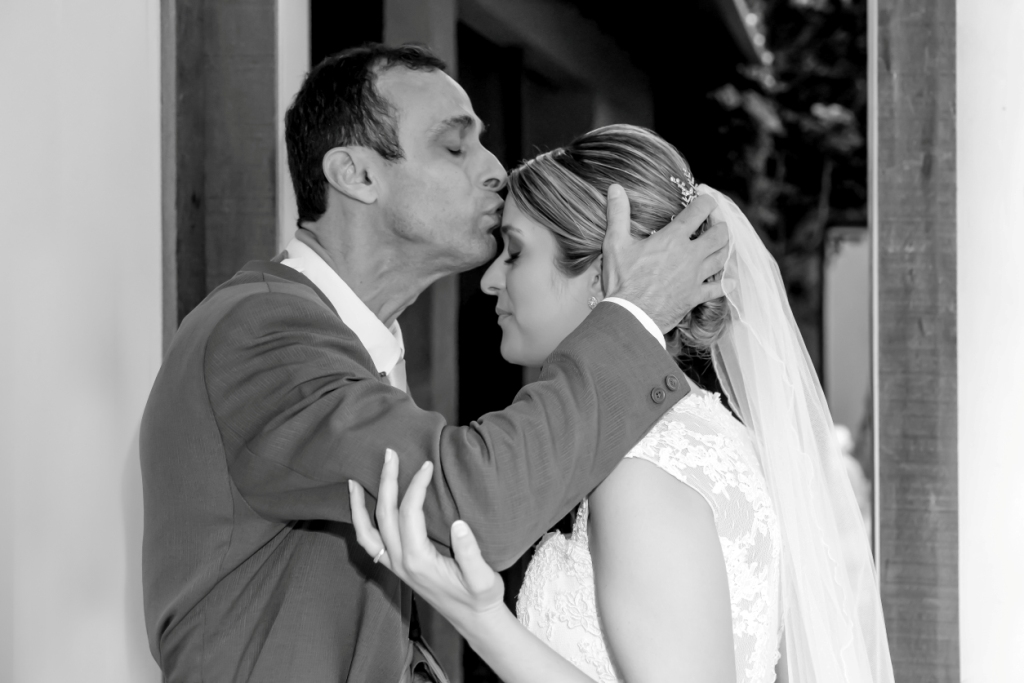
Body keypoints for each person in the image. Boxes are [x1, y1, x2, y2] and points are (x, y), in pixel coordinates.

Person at [139, 46, 729, 683]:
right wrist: (633, 315)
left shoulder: (356, 342)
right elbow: (480, 503)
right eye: (454, 147)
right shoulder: (260, 332)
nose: (496, 170)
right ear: (355, 175)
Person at [349, 125, 896, 683]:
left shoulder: (646, 464)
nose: (490, 280)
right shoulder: (694, 432)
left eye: (515, 252)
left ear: (598, 277)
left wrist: (479, 617)